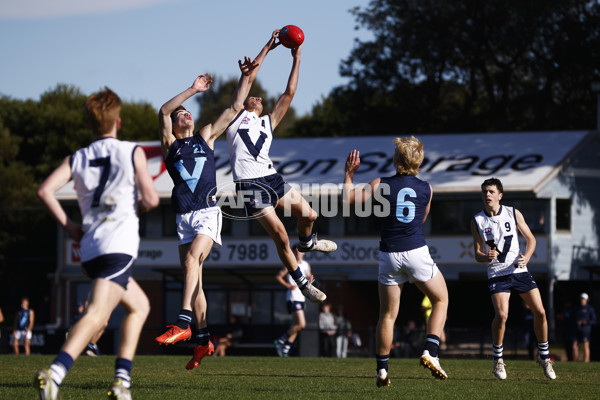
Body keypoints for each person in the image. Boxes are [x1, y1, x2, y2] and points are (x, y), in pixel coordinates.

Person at [35, 87, 159, 400]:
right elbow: (152, 199)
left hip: (90, 248)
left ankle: (121, 382)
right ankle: (55, 373)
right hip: (118, 246)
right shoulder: (133, 151)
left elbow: (45, 191)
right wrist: (138, 207)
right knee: (95, 314)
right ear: (119, 122)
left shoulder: (77, 157)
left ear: (90, 125)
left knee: (140, 306)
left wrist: (70, 226)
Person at [154, 56, 258, 371]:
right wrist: (192, 90)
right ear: (175, 125)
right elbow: (163, 110)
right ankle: (203, 340)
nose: (184, 114)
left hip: (207, 213)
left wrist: (246, 77)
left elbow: (236, 106)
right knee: (195, 281)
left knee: (190, 263)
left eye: (189, 113)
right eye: (180, 114)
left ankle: (183, 321)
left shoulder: (206, 137)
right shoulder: (169, 145)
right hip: (183, 217)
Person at [225, 29, 336, 305]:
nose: (258, 97)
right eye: (255, 96)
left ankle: (308, 243)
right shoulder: (234, 119)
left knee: (310, 215)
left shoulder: (268, 123)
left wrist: (296, 57)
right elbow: (249, 76)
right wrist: (268, 47)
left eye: (261, 99)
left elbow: (290, 91)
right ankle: (302, 283)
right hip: (250, 186)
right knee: (280, 236)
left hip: (271, 177)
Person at [344, 137, 450, 388]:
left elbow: (348, 200)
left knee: (388, 315)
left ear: (396, 160)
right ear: (418, 161)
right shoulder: (427, 188)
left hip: (389, 254)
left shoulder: (380, 183)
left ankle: (382, 370)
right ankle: (430, 351)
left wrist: (349, 175)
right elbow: (421, 219)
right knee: (441, 299)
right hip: (416, 251)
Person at [471, 177, 556, 380]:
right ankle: (498, 359)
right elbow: (476, 253)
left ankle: (544, 357)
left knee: (541, 312)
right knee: (501, 316)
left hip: (519, 271)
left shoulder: (512, 212)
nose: (487, 195)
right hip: (497, 273)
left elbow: (531, 239)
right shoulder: (477, 220)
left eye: (491, 191)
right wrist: (486, 256)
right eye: (484, 191)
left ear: (500, 195)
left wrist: (526, 257)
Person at [274, 244, 312, 357]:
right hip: (293, 297)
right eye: (295, 251)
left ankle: (285, 349)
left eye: (300, 251)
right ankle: (281, 340)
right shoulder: (290, 264)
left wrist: (310, 279)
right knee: (302, 324)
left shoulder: (306, 265)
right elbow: (278, 277)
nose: (298, 253)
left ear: (304, 252)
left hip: (301, 297)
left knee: (296, 325)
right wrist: (288, 286)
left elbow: (308, 278)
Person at [571, 292, 596, 362]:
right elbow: (573, 318)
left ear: (587, 300)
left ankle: (586, 361)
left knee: (585, 346)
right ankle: (574, 361)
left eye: (584, 299)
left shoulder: (590, 309)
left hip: (585, 330)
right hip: (577, 329)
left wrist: (586, 322)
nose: (582, 300)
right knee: (574, 346)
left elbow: (594, 320)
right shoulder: (576, 308)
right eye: (581, 299)